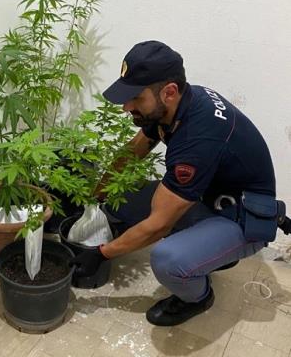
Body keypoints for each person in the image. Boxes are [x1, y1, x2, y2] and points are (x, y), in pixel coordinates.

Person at [70, 40, 279, 326]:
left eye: (135, 98)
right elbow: (134, 151)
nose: (126, 107)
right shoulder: (180, 102)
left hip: (241, 215)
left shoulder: (197, 140)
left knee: (168, 259)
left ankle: (197, 296)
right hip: (210, 195)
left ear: (168, 92)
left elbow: (159, 225)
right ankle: (210, 251)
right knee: (124, 201)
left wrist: (101, 254)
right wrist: (97, 196)